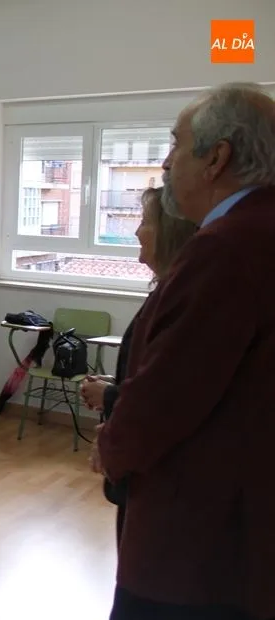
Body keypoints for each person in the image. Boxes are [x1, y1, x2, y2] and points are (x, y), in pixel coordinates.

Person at [96, 82, 275, 620]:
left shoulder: (227, 246)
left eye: (176, 144)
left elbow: (168, 394)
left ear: (216, 158)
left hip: (198, 538)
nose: (167, 162)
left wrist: (110, 447)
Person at [80, 188, 196, 546]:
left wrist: (110, 395)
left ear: (170, 233)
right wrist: (114, 385)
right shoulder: (167, 291)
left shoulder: (181, 298)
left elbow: (171, 397)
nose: (136, 232)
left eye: (145, 222)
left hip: (158, 477)